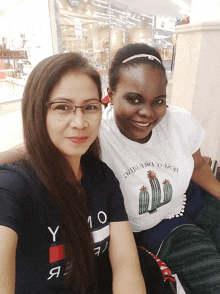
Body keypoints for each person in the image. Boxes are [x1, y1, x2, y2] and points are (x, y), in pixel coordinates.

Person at [0, 52, 147, 294]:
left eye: (90, 107)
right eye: (62, 107)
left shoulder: (101, 177)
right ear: (37, 111)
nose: (79, 122)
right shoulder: (14, 188)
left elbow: (126, 268)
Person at [98, 43, 220, 293]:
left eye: (158, 101)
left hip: (193, 203)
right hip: (155, 232)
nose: (147, 113)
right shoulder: (97, 136)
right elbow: (43, 148)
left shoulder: (179, 121)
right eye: (134, 99)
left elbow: (198, 167)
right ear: (110, 95)